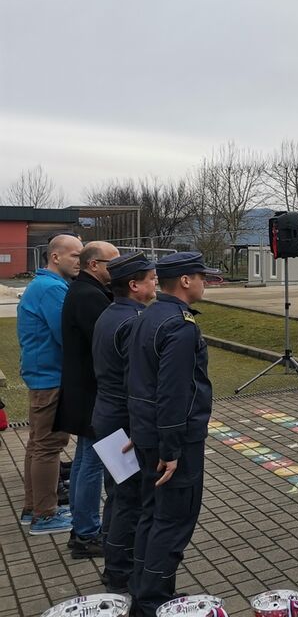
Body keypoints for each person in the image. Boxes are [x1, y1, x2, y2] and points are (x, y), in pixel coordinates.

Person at [128, 252, 218, 617]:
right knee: (174, 520)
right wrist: (171, 448)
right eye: (201, 276)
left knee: (152, 514)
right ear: (184, 280)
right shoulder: (180, 326)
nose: (204, 282)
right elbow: (173, 392)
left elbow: (137, 379)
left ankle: (143, 588)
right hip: (173, 440)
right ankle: (152, 600)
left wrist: (140, 428)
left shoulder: (148, 316)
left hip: (147, 432)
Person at [91, 252, 158, 594]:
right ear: (134, 285)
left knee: (118, 495)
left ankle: (115, 563)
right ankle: (121, 573)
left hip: (107, 415)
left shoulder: (110, 313)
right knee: (130, 499)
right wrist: (142, 428)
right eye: (151, 279)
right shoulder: (132, 322)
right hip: (123, 422)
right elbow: (138, 382)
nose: (155, 283)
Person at [56, 239, 119, 557]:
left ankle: (81, 529)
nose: (118, 268)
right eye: (113, 263)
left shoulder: (85, 290)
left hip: (84, 392)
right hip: (93, 394)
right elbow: (108, 343)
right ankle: (86, 533)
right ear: (94, 265)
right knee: (92, 464)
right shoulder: (88, 296)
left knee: (84, 462)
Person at [18, 233, 82, 535]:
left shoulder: (45, 285)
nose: (80, 261)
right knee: (48, 446)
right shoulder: (51, 288)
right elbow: (67, 334)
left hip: (43, 376)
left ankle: (33, 508)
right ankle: (45, 516)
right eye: (75, 255)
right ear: (55, 257)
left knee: (38, 444)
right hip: (50, 378)